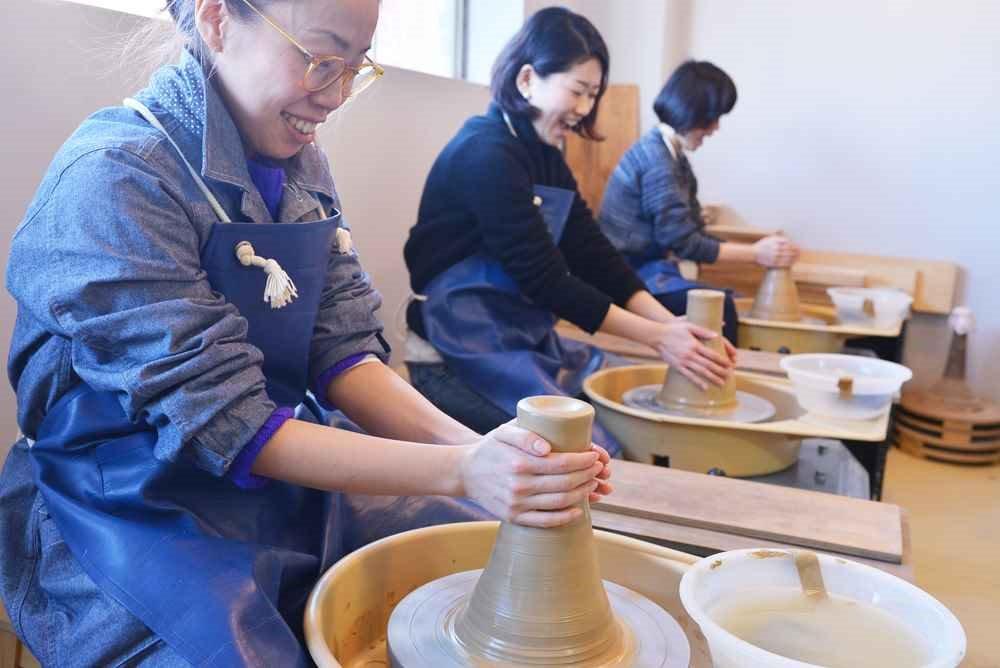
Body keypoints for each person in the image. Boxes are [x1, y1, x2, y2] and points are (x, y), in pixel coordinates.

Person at [0, 1, 612, 664]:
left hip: (279, 464)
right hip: (124, 501)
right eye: (321, 58)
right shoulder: (117, 175)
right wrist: (461, 469)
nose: (338, 94)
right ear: (216, 19)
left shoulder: (301, 162)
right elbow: (230, 423)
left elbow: (342, 349)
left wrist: (492, 455)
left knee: (483, 547)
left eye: (356, 66)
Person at [403, 8, 736, 452]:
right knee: (582, 449)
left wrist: (672, 325)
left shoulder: (544, 153)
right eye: (578, 91)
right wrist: (658, 338)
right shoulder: (486, 152)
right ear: (527, 80)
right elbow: (546, 280)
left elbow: (592, 253)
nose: (583, 110)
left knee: (619, 403)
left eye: (593, 94)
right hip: (451, 355)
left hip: (515, 336)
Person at [599, 60, 800, 344]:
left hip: (647, 268)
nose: (715, 128)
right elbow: (684, 242)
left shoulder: (674, 158)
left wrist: (761, 250)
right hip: (623, 275)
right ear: (692, 111)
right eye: (713, 118)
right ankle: (716, 381)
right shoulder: (657, 160)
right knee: (721, 307)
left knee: (732, 300)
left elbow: (693, 232)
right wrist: (756, 254)